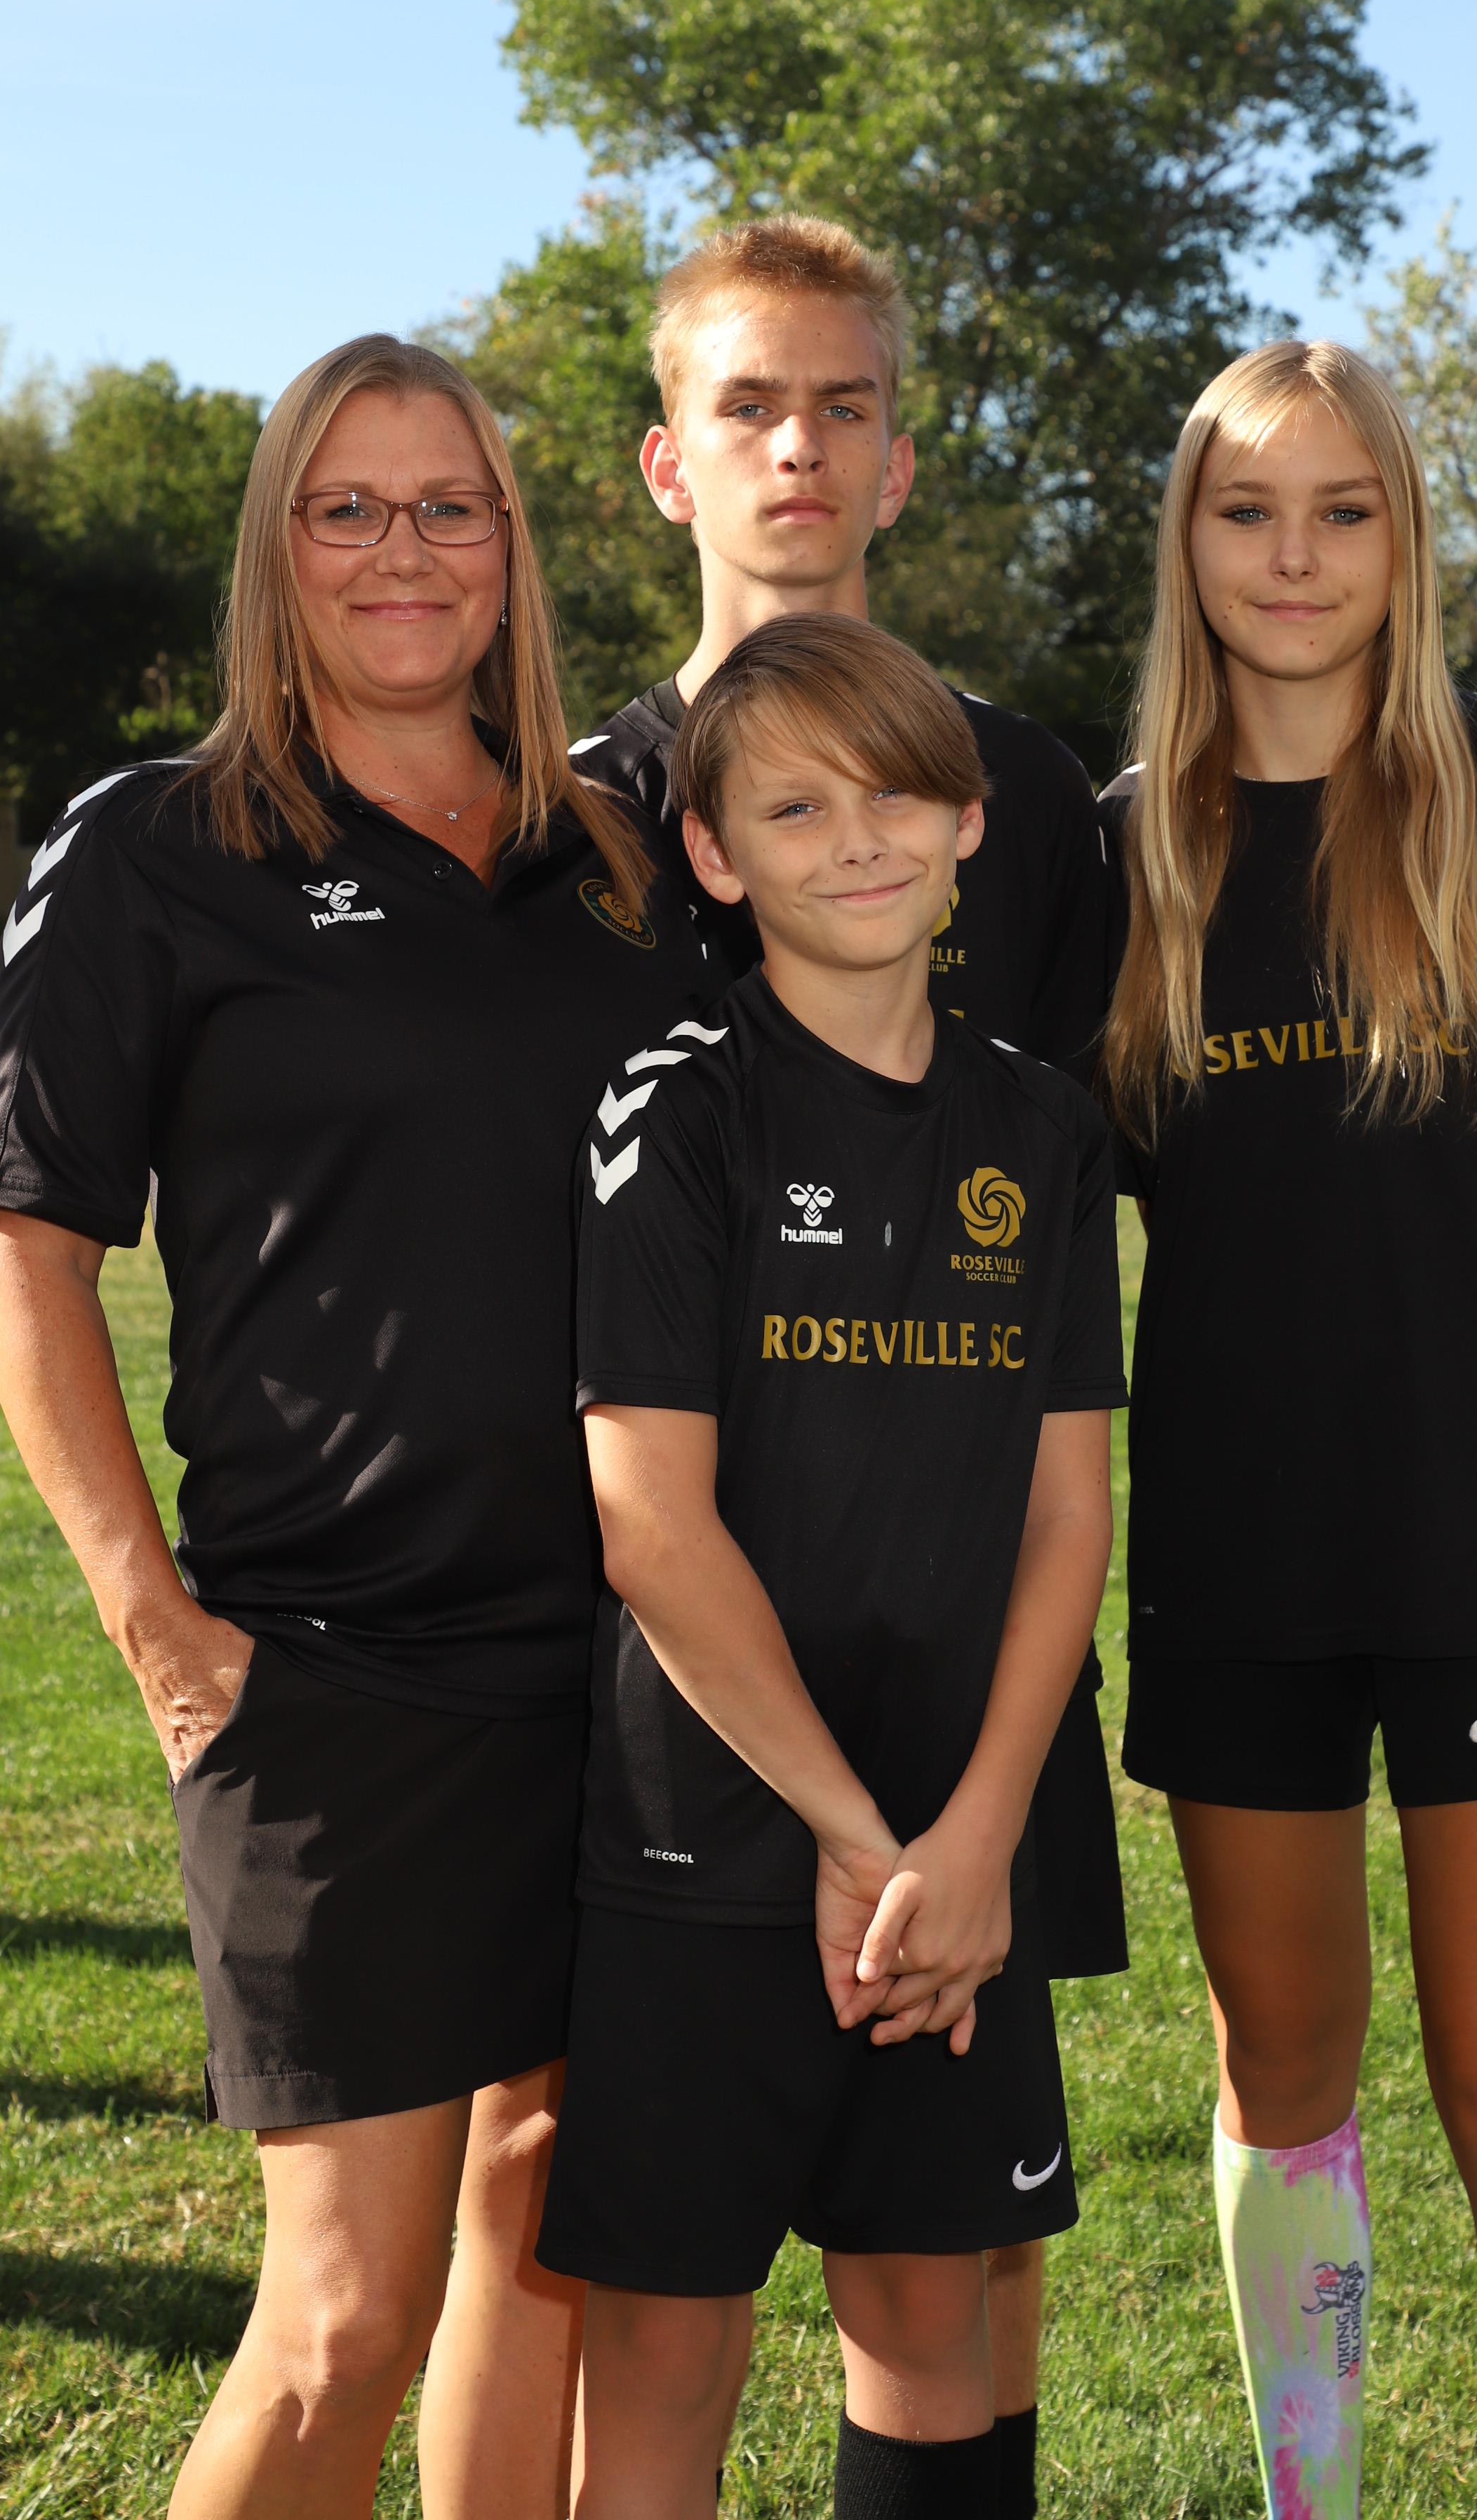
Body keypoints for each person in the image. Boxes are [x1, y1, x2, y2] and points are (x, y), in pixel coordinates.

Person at [0, 335, 712, 2520]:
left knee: (548, 2230)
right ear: (275, 546)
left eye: (448, 505)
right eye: (346, 507)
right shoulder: (156, 844)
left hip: (632, 1669)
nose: (403, 551)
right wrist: (160, 1634)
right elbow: (27, 1253)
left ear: (512, 544)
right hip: (335, 1673)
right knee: (342, 2322)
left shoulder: (616, 858)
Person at [568, 217, 1125, 2510]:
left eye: (846, 403)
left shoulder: (1035, 868)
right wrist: (836, 1822)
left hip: (964, 1721)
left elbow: (1064, 1457)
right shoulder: (583, 822)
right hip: (691, 1737)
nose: (800, 445)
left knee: (946, 2284)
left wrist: (958, 1831)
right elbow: (643, 1489)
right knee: (624, 2289)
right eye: (749, 404)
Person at [1098, 340, 1477, 2520]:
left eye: (1345, 511)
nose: (1296, 557)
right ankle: (1309, 2499)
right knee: (1279, 2061)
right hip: (1237, 1553)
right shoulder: (1123, 847)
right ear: (1189, 543)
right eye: (1249, 512)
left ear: (1404, 537)